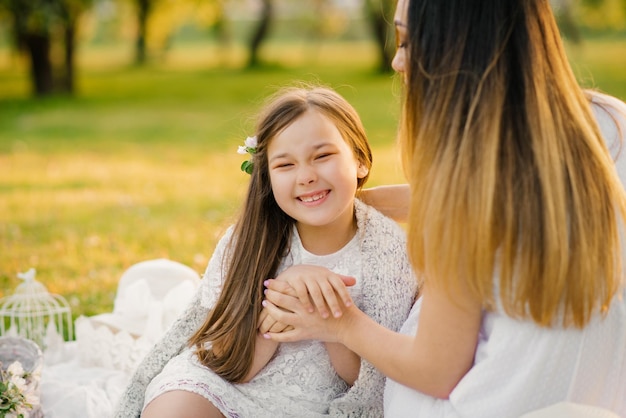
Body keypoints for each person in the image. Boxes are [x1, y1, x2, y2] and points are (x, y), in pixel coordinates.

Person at [261, 1, 626, 417]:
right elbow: (517, 199)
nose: (398, 61)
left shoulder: (465, 185)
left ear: (461, 50)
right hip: (600, 394)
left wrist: (338, 323)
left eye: (407, 41)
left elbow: (436, 371)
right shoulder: (609, 124)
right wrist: (357, 203)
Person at [113, 85, 417, 418]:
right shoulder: (250, 240)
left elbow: (369, 383)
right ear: (268, 177)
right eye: (285, 165)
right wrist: (280, 303)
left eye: (323, 156)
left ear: (359, 160)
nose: (306, 176)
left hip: (311, 402)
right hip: (225, 383)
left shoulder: (387, 251)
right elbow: (226, 362)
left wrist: (328, 313)